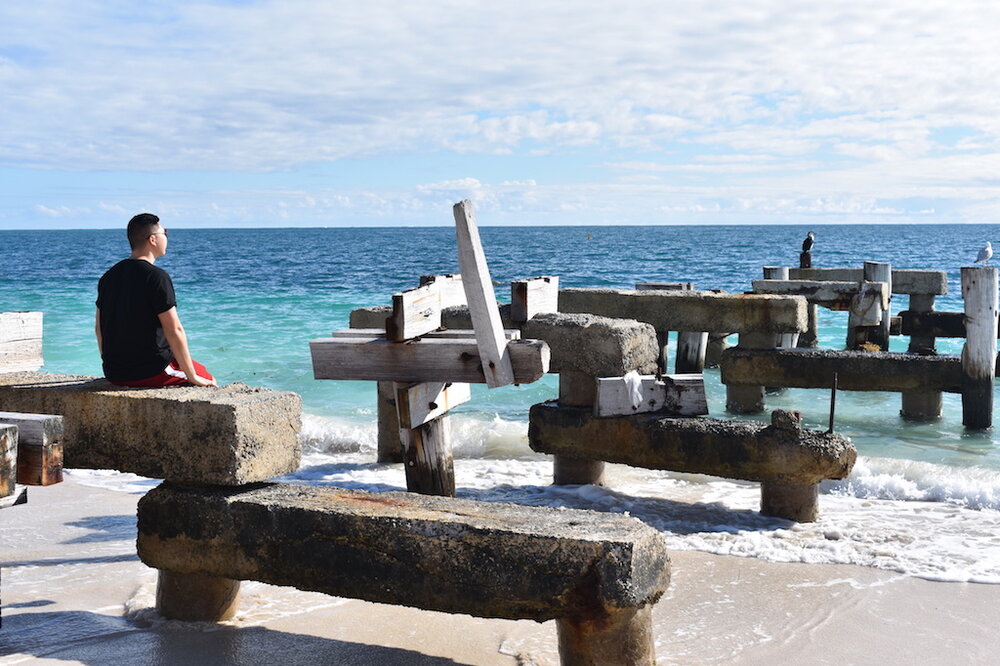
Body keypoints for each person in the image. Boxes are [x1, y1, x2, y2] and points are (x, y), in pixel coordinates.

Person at [95, 213, 217, 387]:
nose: (166, 238)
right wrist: (193, 377)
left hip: (114, 372)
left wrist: (111, 365)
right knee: (208, 377)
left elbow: (99, 328)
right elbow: (174, 330)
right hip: (150, 370)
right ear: (153, 239)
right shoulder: (156, 277)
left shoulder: (108, 277)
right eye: (164, 233)